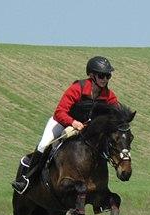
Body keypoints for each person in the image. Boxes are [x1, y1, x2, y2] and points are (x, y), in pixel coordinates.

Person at [12, 56, 120, 193]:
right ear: (92, 75)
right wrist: (73, 122)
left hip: (84, 128)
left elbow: (116, 110)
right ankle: (27, 180)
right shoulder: (77, 88)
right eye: (101, 75)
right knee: (43, 144)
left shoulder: (108, 95)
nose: (105, 79)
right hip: (62, 122)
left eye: (108, 76)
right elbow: (59, 112)